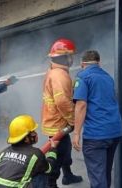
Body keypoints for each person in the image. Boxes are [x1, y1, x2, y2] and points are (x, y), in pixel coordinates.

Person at [72, 50, 122, 188]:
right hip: (114, 131)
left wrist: (76, 133)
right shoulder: (108, 77)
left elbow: (81, 105)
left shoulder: (83, 77)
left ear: (82, 64)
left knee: (97, 177)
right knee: (105, 172)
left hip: (96, 135)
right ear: (99, 63)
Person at [41, 38, 83, 187]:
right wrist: (74, 120)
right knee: (57, 157)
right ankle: (50, 183)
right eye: (71, 55)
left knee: (65, 151)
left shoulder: (53, 70)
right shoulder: (60, 75)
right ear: (64, 57)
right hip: (58, 124)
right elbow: (62, 102)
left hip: (55, 121)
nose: (73, 59)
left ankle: (68, 176)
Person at [0, 115, 58, 188]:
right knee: (42, 173)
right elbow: (49, 168)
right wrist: (53, 149)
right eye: (33, 132)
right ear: (26, 139)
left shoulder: (4, 152)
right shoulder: (36, 154)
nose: (35, 134)